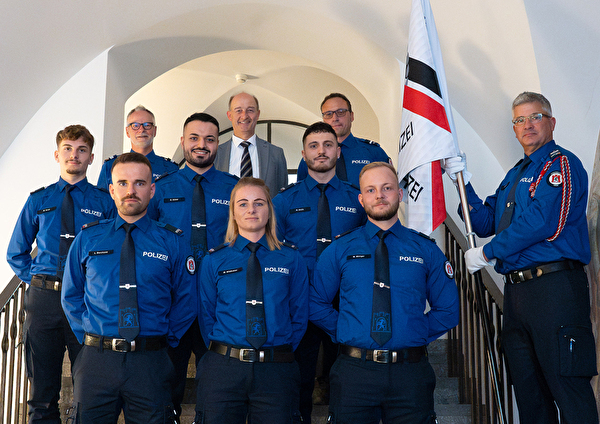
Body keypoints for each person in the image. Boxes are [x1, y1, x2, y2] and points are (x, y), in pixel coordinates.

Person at [453, 92, 598, 424]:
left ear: (551, 122)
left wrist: (488, 252)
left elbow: (543, 222)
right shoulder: (516, 174)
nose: (527, 125)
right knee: (531, 396)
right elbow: (487, 220)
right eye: (519, 120)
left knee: (569, 390)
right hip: (518, 296)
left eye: (535, 117)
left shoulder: (559, 163)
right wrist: (464, 185)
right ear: (514, 129)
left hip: (555, 290)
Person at [310, 162, 459, 424]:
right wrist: (346, 329)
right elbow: (316, 302)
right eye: (371, 190)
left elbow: (447, 311)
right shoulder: (339, 249)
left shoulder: (425, 250)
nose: (379, 195)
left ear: (399, 194)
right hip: (354, 373)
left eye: (387, 188)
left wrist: (412, 330)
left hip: (410, 374)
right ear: (362, 198)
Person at [61, 152, 195, 423]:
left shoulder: (172, 241)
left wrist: (164, 340)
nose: (130, 191)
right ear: (111, 189)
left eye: (140, 183)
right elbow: (71, 295)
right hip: (97, 361)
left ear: (152, 189)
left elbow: (186, 299)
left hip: (150, 361)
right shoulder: (88, 237)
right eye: (122, 183)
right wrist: (89, 336)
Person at [6, 124, 115, 424]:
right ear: (57, 154)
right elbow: (15, 253)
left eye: (81, 150)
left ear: (91, 157)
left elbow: (114, 253)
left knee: (88, 386)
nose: (74, 155)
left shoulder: (105, 203)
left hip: (86, 303)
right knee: (42, 389)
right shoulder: (38, 200)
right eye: (68, 149)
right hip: (44, 303)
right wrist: (37, 281)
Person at [147, 112, 238, 421]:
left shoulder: (234, 189)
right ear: (182, 141)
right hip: (171, 300)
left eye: (210, 139)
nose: (202, 145)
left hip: (220, 301)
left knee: (216, 386)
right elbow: (147, 240)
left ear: (217, 145)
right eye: (195, 138)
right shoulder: (161, 188)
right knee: (166, 382)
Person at [272, 121, 366, 423]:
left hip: (346, 301)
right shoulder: (285, 200)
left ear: (338, 151)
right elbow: (275, 252)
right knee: (299, 375)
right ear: (303, 153)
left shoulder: (358, 198)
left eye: (328, 144)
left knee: (347, 376)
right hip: (299, 299)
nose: (321, 151)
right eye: (314, 146)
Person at [196, 177, 308, 424]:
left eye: (259, 203)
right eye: (243, 204)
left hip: (276, 369)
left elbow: (299, 316)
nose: (251, 210)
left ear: (269, 210)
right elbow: (207, 316)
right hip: (224, 369)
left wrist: (276, 351)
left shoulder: (290, 258)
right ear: (233, 212)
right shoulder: (214, 261)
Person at [296, 93, 389, 187]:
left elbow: (388, 189)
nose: (335, 118)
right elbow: (302, 195)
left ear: (351, 116)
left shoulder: (373, 152)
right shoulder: (311, 157)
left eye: (341, 112)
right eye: (328, 114)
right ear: (324, 119)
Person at [214, 92, 288, 195]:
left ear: (257, 115)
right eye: (238, 110)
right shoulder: (215, 154)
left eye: (250, 110)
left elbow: (282, 198)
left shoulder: (276, 154)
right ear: (230, 115)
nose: (244, 116)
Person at [96, 105, 178, 190]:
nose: (141, 130)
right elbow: (101, 202)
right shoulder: (110, 167)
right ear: (127, 131)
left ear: (155, 131)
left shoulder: (171, 169)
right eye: (135, 125)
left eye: (147, 125)